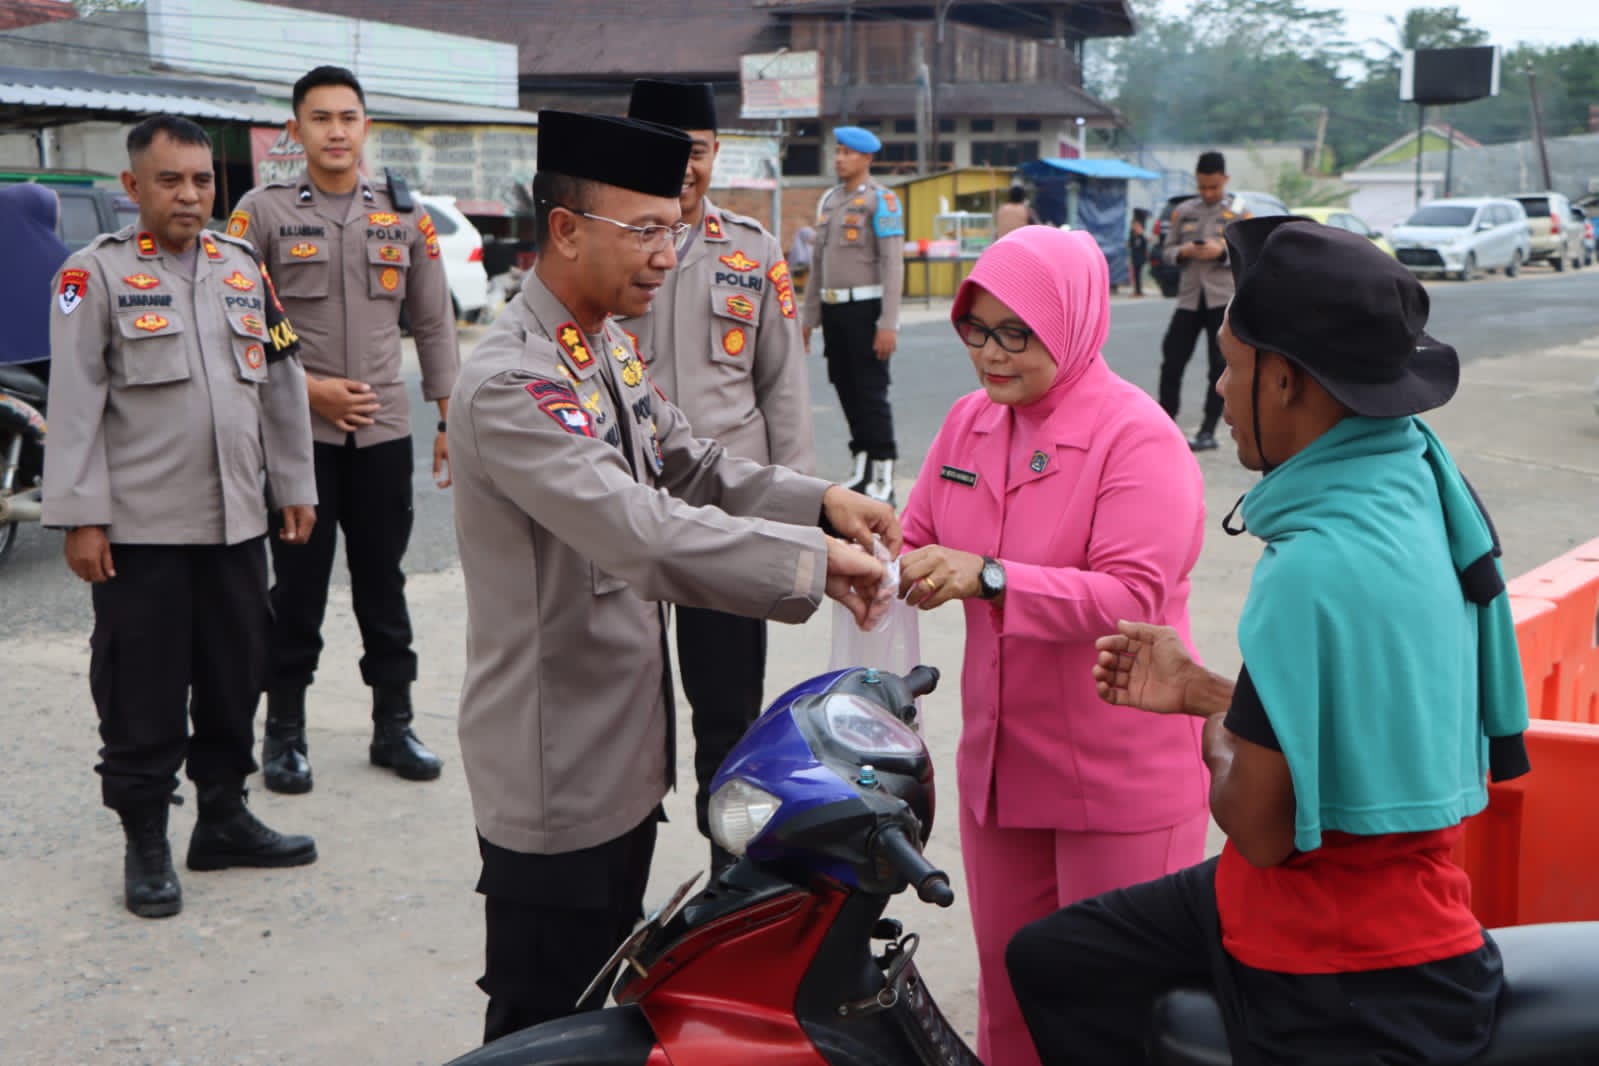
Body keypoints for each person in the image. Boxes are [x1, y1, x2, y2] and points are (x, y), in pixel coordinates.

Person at [1007, 217, 1532, 1066]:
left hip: (1335, 965)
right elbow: (1347, 707)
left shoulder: (1310, 568)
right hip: (1410, 901)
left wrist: (1208, 730)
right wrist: (1209, 691)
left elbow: (1257, 826)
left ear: (1283, 381)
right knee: (1054, 952)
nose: (1217, 388)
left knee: (1059, 967)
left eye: (1232, 364)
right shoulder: (1415, 480)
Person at [448, 109, 898, 1044]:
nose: (668, 252)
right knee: (543, 1023)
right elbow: (640, 530)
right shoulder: (513, 382)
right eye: (646, 230)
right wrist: (812, 565)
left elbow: (691, 463)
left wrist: (819, 499)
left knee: (610, 996)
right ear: (565, 230)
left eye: (675, 229)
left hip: (618, 746)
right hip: (557, 765)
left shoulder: (600, 343)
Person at [894, 226, 1209, 1066]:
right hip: (1004, 769)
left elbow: (1132, 596)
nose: (990, 356)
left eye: (1014, 334)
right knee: (1012, 1002)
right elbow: (916, 536)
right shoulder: (968, 424)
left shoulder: (1134, 437)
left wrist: (990, 577)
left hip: (1115, 777)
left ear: (1071, 325)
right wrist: (871, 559)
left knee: (1115, 1016)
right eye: (975, 330)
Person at [42, 115, 320, 919]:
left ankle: (223, 819)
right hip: (140, 533)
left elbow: (282, 378)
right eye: (171, 181)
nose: (190, 195)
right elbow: (75, 401)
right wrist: (81, 518)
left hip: (236, 523)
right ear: (133, 188)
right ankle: (146, 841)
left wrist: (294, 483)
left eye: (202, 180)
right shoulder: (90, 276)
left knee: (236, 674)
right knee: (142, 689)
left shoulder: (241, 268)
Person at [229, 65, 459, 794]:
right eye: (320, 118)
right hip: (300, 438)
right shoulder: (260, 214)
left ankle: (394, 724)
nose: (335, 130)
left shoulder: (403, 216)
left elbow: (432, 320)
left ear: (366, 127)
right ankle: (285, 732)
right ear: (293, 131)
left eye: (348, 117)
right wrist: (309, 391)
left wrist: (449, 413)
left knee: (382, 587)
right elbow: (235, 323)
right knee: (295, 589)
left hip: (385, 430)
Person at [620, 79, 816, 871]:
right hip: (622, 506)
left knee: (727, 707)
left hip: (729, 514)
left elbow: (784, 389)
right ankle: (619, 872)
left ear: (715, 154)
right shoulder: (608, 246)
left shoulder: (753, 253)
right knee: (618, 707)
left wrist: (791, 512)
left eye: (693, 153)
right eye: (663, 154)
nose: (682, 170)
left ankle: (727, 872)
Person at [800, 125, 906, 503]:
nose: (839, 158)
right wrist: (808, 318)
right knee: (844, 386)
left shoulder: (883, 201)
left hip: (866, 310)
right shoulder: (829, 201)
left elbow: (893, 265)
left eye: (846, 152)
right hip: (833, 310)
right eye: (837, 152)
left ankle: (884, 472)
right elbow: (818, 264)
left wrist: (888, 323)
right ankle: (861, 468)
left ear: (866, 158)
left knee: (870, 392)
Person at [1156, 151, 1249, 452]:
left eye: (1214, 187)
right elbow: (1166, 251)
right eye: (1202, 187)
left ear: (1225, 180)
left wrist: (1220, 252)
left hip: (1221, 300)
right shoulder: (1183, 211)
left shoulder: (1239, 212)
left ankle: (1208, 430)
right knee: (1172, 360)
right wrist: (1184, 252)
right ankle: (1163, 425)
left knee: (1218, 367)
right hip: (1189, 299)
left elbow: (1247, 254)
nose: (1208, 193)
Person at [1127, 207, 1149, 297]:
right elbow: (1131, 244)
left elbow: (1143, 246)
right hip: (1135, 256)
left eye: (1136, 226)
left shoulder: (1141, 237)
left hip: (1139, 257)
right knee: (1135, 274)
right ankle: (1137, 290)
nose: (1134, 226)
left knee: (1138, 274)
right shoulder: (1133, 235)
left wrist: (1140, 234)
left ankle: (1138, 291)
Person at [789, 223, 815, 292]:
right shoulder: (796, 249)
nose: (811, 237)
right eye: (809, 235)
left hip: (808, 281)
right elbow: (794, 265)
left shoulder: (810, 248)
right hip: (797, 281)